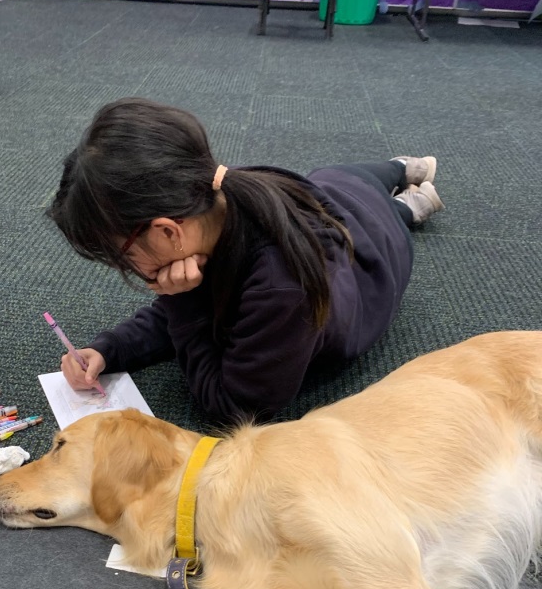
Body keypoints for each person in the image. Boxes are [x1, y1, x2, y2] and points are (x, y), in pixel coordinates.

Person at [48, 97, 444, 424]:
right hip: (335, 202)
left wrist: (181, 301)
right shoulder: (210, 192)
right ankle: (403, 187)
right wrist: (111, 348)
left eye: (123, 257)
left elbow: (235, 406)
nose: (128, 271)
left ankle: (403, 187)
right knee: (337, 179)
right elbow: (195, 310)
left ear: (169, 231)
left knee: (372, 200)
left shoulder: (282, 289)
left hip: (377, 262)